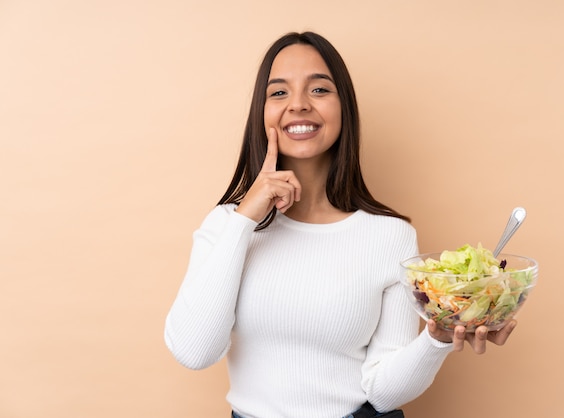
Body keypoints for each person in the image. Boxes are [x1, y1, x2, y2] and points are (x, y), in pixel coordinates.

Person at [164, 31, 517, 418]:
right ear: (260, 112)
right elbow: (195, 352)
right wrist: (245, 218)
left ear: (343, 107)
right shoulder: (227, 226)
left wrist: (438, 338)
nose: (298, 105)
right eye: (278, 93)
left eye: (319, 90)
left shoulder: (391, 236)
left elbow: (382, 393)